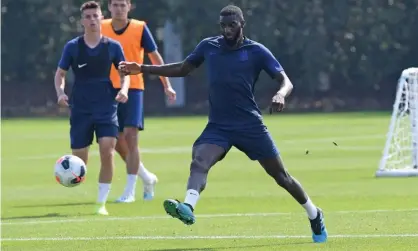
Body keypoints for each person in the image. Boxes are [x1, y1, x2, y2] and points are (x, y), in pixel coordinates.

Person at [118, 5, 327, 243]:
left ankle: (314, 213)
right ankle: (188, 206)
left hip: (249, 124)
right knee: (199, 160)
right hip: (219, 126)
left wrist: (280, 94)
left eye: (232, 25)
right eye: (224, 25)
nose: (227, 30)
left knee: (281, 176)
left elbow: (285, 80)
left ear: (242, 24)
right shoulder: (209, 46)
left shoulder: (256, 51)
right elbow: (183, 68)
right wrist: (142, 68)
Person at [54, 1, 129, 216]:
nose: (92, 20)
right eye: (88, 17)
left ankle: (101, 203)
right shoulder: (73, 47)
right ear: (82, 22)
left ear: (101, 18)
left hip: (106, 105)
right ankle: (72, 174)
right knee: (80, 158)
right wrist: (60, 92)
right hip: (80, 107)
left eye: (96, 16)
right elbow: (60, 74)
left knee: (108, 151)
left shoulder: (113, 46)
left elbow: (125, 74)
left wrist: (124, 89)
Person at [101, 0, 176, 203]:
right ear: (109, 7)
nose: (119, 8)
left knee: (131, 136)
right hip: (107, 89)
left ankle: (130, 191)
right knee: (113, 140)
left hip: (133, 88)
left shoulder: (139, 28)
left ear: (129, 6)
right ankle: (146, 177)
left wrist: (166, 84)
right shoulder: (101, 26)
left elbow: (155, 57)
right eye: (115, 4)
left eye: (122, 4)